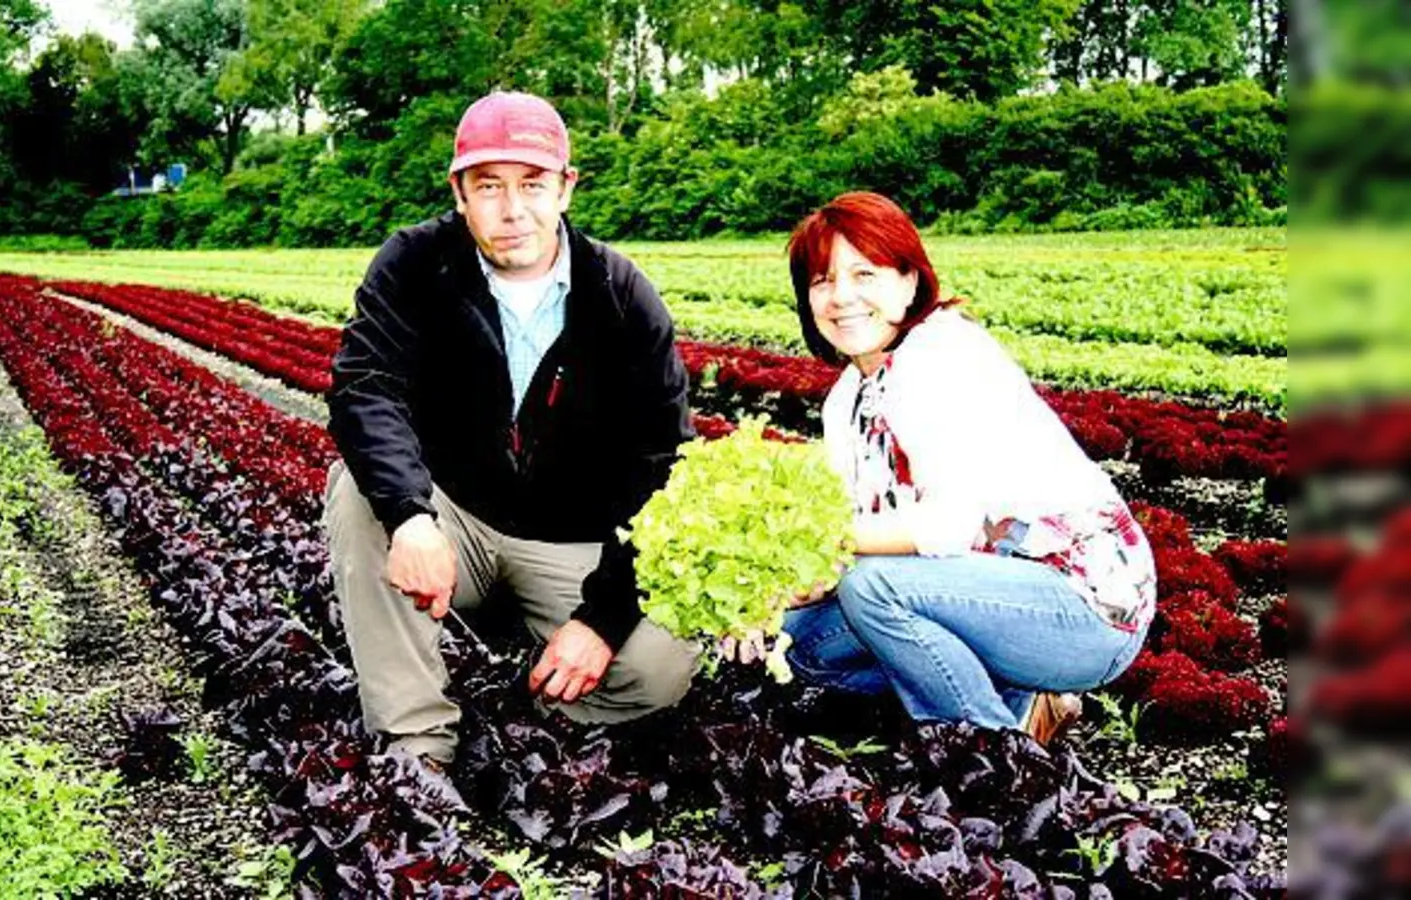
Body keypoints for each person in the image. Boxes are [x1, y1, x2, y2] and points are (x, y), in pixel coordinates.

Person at [323, 91, 699, 767]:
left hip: (570, 543)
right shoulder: (414, 264)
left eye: (533, 183)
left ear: (566, 189)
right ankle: (418, 743)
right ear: (459, 192)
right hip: (455, 525)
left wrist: (602, 621)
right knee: (360, 493)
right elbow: (365, 387)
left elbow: (661, 461)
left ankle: (526, 692)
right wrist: (410, 517)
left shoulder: (621, 294)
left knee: (660, 669)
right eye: (488, 185)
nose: (512, 207)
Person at [724, 192, 1155, 744]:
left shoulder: (943, 355)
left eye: (865, 273)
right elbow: (844, 541)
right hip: (979, 593)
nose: (843, 297)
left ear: (908, 281)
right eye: (822, 281)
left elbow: (943, 527)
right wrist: (766, 598)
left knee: (874, 588)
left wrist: (810, 541)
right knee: (797, 641)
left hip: (1083, 607)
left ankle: (997, 750)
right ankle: (1019, 697)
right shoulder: (847, 399)